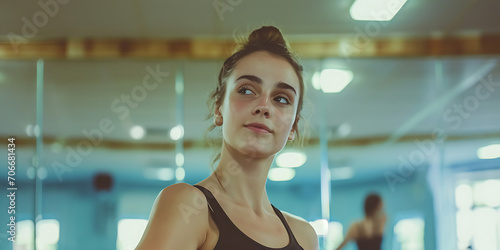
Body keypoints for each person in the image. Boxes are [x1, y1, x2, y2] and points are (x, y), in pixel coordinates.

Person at [136, 26, 318, 250]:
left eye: (281, 99)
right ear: (219, 109)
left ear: (293, 127)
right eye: (247, 90)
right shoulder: (189, 207)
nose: (263, 106)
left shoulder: (305, 236)